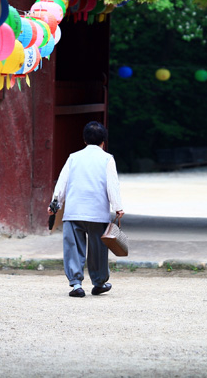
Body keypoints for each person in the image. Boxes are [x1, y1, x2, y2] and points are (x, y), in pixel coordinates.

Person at [49, 121, 125, 297]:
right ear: (103, 141)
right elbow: (112, 185)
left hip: (74, 211)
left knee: (73, 248)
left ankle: (76, 285)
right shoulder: (107, 159)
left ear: (84, 140)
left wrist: (55, 204)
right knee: (98, 249)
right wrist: (118, 206)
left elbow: (62, 183)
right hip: (97, 212)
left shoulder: (73, 157)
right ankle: (98, 283)